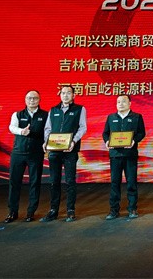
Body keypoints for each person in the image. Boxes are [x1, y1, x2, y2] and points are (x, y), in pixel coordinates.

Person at [40, 85, 87, 222]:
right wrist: (46, 142)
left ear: (74, 95)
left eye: (68, 93)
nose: (65, 95)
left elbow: (83, 128)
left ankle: (70, 210)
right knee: (54, 181)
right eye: (63, 93)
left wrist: (73, 141)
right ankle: (53, 210)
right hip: (54, 151)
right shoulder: (53, 110)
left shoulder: (80, 109)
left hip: (70, 150)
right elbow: (48, 129)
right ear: (60, 95)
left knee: (70, 181)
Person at [4, 90, 48, 223]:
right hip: (18, 153)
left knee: (35, 182)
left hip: (36, 153)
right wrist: (21, 131)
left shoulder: (45, 115)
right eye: (29, 98)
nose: (32, 100)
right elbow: (12, 127)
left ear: (39, 100)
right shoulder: (17, 114)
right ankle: (12, 212)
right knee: (14, 182)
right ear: (25, 99)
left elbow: (48, 131)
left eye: (35, 98)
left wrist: (47, 143)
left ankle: (31, 212)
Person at [102, 94, 146, 220]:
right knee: (115, 182)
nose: (120, 104)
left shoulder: (137, 117)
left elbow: (142, 133)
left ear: (130, 103)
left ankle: (132, 208)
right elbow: (105, 133)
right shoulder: (111, 117)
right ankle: (113, 210)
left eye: (123, 101)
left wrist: (134, 141)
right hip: (115, 155)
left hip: (130, 154)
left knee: (131, 182)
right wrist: (107, 141)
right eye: (118, 102)